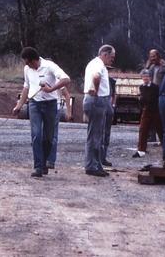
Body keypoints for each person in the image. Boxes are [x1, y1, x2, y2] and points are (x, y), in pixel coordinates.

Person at [12, 47, 70, 178]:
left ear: (34, 60)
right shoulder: (27, 69)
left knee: (48, 138)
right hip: (34, 104)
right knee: (36, 135)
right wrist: (19, 105)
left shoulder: (50, 66)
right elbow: (26, 87)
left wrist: (51, 90)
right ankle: (37, 167)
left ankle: (44, 163)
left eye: (27, 62)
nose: (26, 65)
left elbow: (66, 79)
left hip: (50, 104)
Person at [83, 45, 115, 177]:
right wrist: (95, 89)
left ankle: (97, 164)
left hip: (100, 100)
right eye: (111, 57)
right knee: (95, 135)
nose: (112, 60)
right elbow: (96, 77)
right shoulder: (97, 64)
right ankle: (91, 165)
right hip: (96, 100)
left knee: (99, 134)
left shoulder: (98, 64)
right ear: (105, 54)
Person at [137, 49, 165, 151]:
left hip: (160, 95)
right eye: (150, 57)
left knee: (160, 125)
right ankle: (143, 147)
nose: (152, 58)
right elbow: (145, 74)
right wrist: (147, 66)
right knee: (144, 127)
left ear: (158, 56)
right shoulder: (151, 67)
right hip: (149, 98)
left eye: (153, 56)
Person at [46, 86, 72, 170]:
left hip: (54, 108)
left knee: (53, 135)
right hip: (39, 106)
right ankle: (41, 160)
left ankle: (50, 161)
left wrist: (68, 111)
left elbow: (66, 94)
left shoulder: (58, 77)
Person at [134, 69, 157, 158]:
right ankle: (140, 150)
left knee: (160, 129)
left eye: (147, 76)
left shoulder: (155, 87)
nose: (145, 78)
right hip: (146, 110)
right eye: (144, 76)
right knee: (142, 129)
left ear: (150, 77)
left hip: (155, 110)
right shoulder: (141, 87)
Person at [102, 75, 117, 167]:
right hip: (100, 107)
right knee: (99, 134)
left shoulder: (111, 81)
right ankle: (97, 157)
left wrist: (113, 106)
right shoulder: (96, 79)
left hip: (108, 108)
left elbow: (114, 94)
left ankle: (103, 157)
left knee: (106, 134)